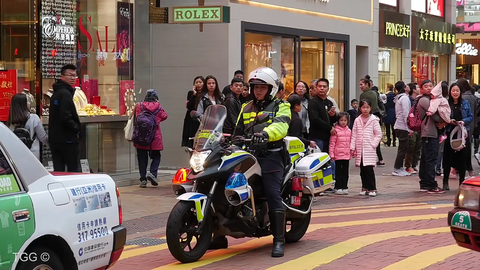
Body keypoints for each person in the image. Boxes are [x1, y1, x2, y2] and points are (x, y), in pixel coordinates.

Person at [233, 67, 291, 257]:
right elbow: (237, 131)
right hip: (249, 154)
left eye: (262, 87)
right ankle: (216, 235)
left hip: (271, 155)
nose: (257, 90)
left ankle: (279, 241)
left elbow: (281, 126)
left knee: (272, 193)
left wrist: (266, 134)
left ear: (271, 88)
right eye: (255, 87)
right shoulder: (245, 107)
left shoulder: (281, 106)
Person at [48, 64, 81, 172]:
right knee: (72, 171)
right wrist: (76, 128)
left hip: (56, 140)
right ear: (62, 76)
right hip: (67, 140)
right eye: (70, 75)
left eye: (75, 76)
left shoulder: (57, 92)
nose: (73, 78)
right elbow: (65, 117)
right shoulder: (65, 94)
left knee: (59, 170)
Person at [416, 80, 447, 194]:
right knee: (431, 159)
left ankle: (424, 183)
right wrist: (445, 120)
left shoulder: (430, 99)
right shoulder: (424, 100)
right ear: (421, 89)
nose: (429, 88)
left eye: (430, 86)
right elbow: (436, 116)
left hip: (428, 132)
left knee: (426, 158)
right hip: (429, 132)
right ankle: (431, 185)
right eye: (426, 86)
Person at [133, 89, 168, 188]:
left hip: (141, 136)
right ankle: (152, 173)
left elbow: (134, 116)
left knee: (142, 158)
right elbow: (165, 116)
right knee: (156, 156)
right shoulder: (158, 107)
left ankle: (143, 179)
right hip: (154, 137)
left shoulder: (139, 106)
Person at [442, 83, 473, 190]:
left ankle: (461, 183)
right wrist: (449, 121)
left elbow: (470, 117)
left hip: (462, 134)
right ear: (450, 92)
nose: (455, 93)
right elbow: (443, 116)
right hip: (450, 133)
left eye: (457, 91)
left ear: (460, 92)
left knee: (462, 159)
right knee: (447, 158)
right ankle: (445, 182)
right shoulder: (446, 103)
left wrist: (463, 121)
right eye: (453, 90)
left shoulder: (465, 103)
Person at [350, 100, 382, 197]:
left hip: (369, 148)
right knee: (362, 170)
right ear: (360, 108)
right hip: (360, 149)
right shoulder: (357, 120)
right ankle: (364, 187)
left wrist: (373, 144)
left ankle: (372, 188)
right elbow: (354, 134)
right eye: (363, 107)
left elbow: (378, 134)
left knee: (369, 169)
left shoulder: (374, 120)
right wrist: (352, 147)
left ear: (370, 108)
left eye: (367, 107)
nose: (365, 109)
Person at [308, 78, 338, 179]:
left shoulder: (329, 102)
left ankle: (330, 181)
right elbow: (315, 119)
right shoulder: (313, 102)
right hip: (317, 137)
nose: (322, 88)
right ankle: (319, 183)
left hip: (329, 137)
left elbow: (333, 119)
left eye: (324, 87)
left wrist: (333, 116)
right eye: (320, 86)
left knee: (329, 159)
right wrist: (329, 127)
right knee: (319, 161)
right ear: (316, 88)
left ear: (328, 89)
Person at [7, 93, 48, 161]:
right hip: (32, 153)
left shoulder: (10, 121)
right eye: (27, 101)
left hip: (16, 154)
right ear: (24, 104)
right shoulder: (34, 118)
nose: (29, 103)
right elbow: (43, 138)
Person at [359, 76, 385, 166]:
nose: (360, 86)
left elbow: (362, 109)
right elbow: (380, 103)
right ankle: (380, 158)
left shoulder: (364, 95)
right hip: (377, 116)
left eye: (361, 84)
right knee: (375, 137)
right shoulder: (375, 93)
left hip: (369, 117)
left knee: (368, 138)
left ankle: (371, 158)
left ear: (367, 85)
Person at [392, 81, 412, 177]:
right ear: (404, 88)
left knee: (403, 148)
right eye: (406, 85)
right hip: (402, 126)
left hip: (399, 125)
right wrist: (409, 127)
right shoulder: (404, 98)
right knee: (403, 148)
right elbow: (406, 113)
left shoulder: (399, 98)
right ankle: (397, 168)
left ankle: (399, 167)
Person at [329, 112, 352, 195]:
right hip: (338, 155)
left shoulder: (349, 131)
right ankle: (338, 187)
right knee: (338, 172)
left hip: (346, 155)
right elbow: (332, 143)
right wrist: (331, 154)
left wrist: (352, 151)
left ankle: (345, 186)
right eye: (341, 120)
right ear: (338, 121)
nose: (343, 122)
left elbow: (351, 142)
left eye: (345, 120)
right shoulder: (335, 130)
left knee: (345, 172)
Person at [181, 76, 204, 148]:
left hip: (201, 119)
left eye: (200, 82)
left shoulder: (205, 94)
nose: (198, 84)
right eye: (196, 82)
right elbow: (189, 106)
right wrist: (194, 94)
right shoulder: (191, 93)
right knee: (191, 143)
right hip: (191, 119)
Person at [405, 82, 422, 174]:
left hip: (419, 125)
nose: (419, 88)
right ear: (414, 90)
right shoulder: (409, 100)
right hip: (412, 125)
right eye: (418, 87)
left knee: (418, 146)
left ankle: (414, 164)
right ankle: (408, 165)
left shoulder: (419, 100)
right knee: (411, 145)